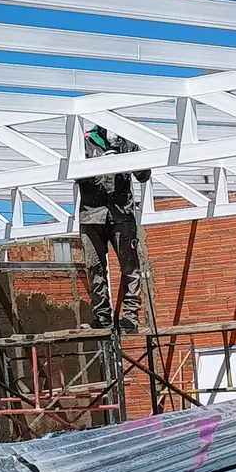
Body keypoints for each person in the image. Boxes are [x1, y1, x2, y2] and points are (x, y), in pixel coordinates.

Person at [75, 125, 150, 332]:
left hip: (121, 214)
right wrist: (100, 163)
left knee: (130, 266)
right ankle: (102, 317)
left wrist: (124, 159)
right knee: (94, 266)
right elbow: (76, 175)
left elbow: (144, 174)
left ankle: (130, 317)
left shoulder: (127, 142)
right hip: (92, 214)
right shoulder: (85, 141)